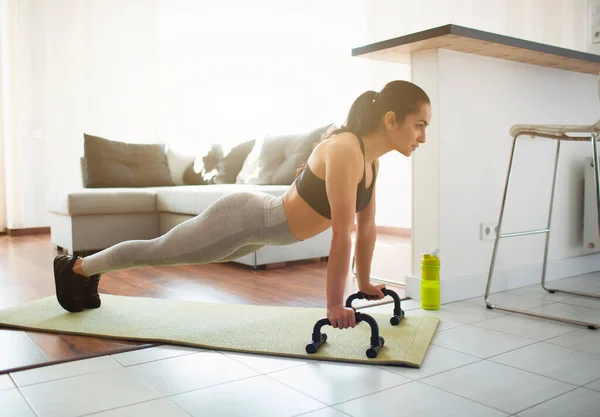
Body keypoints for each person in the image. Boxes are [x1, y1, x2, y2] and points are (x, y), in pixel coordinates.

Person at [53, 80, 431, 331]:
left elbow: (366, 229)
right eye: (419, 125)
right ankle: (77, 267)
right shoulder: (347, 149)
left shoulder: (371, 160)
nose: (423, 137)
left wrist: (363, 283)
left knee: (164, 251)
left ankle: (85, 271)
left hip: (260, 231)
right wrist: (334, 306)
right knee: (160, 252)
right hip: (244, 219)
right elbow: (342, 236)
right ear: (391, 119)